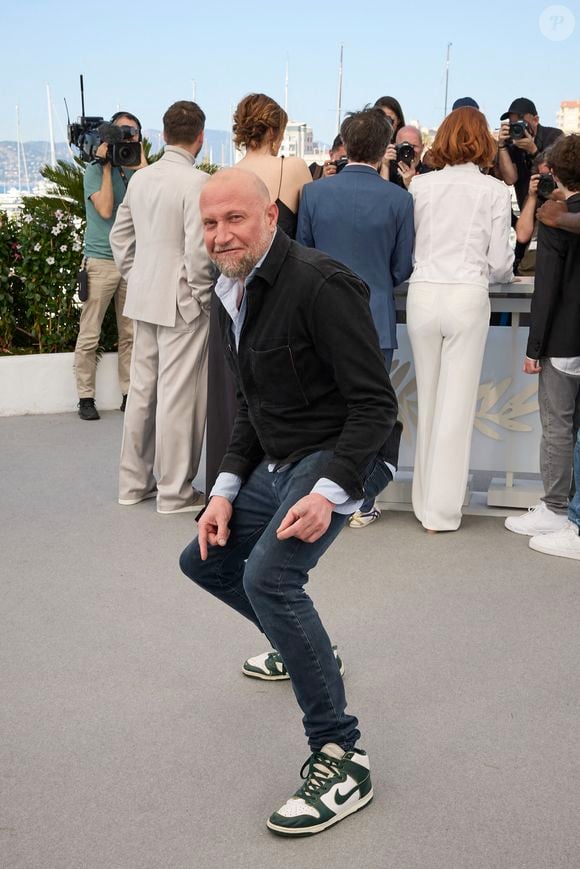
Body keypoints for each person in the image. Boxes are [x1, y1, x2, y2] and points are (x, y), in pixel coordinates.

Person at [179, 168, 401, 836]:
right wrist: (223, 491)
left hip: (340, 451)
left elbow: (375, 406)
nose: (221, 234)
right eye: (210, 223)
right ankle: (304, 645)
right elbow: (251, 404)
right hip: (280, 456)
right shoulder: (231, 289)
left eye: (235, 219)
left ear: (270, 215)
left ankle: (342, 755)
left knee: (269, 575)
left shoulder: (321, 284)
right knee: (205, 558)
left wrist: (331, 491)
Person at [297, 107, 414, 528]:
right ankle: (359, 501)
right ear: (385, 147)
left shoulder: (314, 194)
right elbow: (402, 269)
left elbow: (302, 255)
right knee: (370, 410)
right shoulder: (400, 200)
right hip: (375, 318)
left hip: (318, 317)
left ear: (344, 144)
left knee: (321, 408)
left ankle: (311, 492)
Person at [407, 107, 514, 532]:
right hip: (468, 295)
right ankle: (442, 511)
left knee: (429, 402)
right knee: (455, 407)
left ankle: (421, 501)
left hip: (423, 293)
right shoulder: (493, 190)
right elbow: (500, 263)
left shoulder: (419, 185)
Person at [205, 93, 312, 500]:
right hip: (277, 290)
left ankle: (225, 485)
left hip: (228, 288)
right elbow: (305, 235)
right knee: (275, 385)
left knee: (232, 387)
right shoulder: (293, 168)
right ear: (274, 130)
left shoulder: (225, 174)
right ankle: (277, 485)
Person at [110, 101, 213, 514]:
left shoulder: (140, 179)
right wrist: (202, 298)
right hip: (182, 301)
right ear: (201, 138)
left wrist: (137, 277)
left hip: (144, 295)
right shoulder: (197, 183)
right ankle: (174, 492)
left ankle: (132, 484)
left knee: (141, 393)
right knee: (177, 396)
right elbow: (198, 252)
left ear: (164, 135)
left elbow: (120, 238)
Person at [505, 134, 580, 539]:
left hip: (563, 341)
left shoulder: (555, 216)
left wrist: (535, 348)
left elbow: (547, 288)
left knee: (557, 426)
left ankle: (555, 507)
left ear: (556, 172)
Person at [74, 111, 147, 420]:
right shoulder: (93, 170)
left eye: (131, 133)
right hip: (101, 261)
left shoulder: (138, 172)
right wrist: (105, 166)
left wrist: (140, 160)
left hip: (130, 261)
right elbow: (104, 209)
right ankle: (85, 397)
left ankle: (129, 393)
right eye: (121, 133)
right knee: (90, 334)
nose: (126, 139)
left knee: (130, 333)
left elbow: (151, 203)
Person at [496, 97, 563, 211]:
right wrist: (502, 146)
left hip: (553, 211)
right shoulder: (511, 144)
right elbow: (510, 179)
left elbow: (562, 176)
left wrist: (533, 151)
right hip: (527, 213)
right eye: (513, 124)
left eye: (522, 123)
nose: (518, 129)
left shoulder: (553, 137)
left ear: (535, 120)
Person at [383, 124, 429, 189]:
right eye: (405, 146)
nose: (409, 150)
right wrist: (385, 166)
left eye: (414, 146)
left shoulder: (429, 175)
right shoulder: (387, 169)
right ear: (395, 147)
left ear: (422, 147)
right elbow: (381, 196)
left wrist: (410, 184)